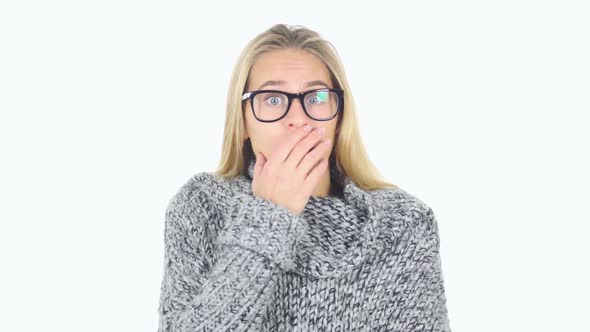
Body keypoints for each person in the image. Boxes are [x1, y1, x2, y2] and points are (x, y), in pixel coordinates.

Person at [157, 23, 452, 331]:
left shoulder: (404, 223)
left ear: (339, 117)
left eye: (315, 98)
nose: (297, 119)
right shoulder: (202, 206)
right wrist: (268, 217)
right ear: (243, 121)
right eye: (272, 99)